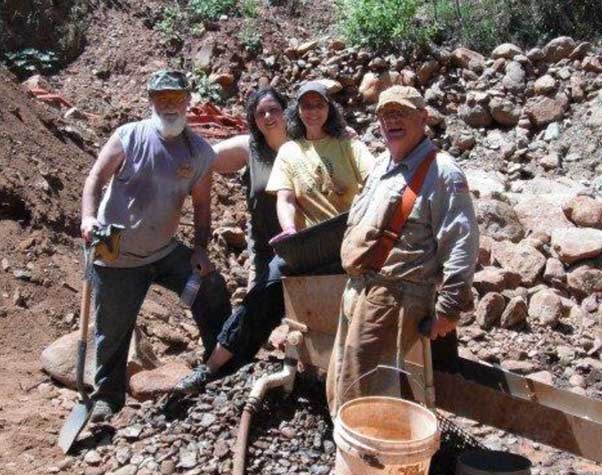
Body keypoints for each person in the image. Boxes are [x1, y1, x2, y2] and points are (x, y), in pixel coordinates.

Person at [79, 69, 231, 422]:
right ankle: (108, 397)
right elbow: (96, 178)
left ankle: (221, 360)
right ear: (150, 101)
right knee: (112, 329)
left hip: (164, 252)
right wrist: (88, 218)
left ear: (188, 101)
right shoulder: (128, 136)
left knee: (206, 287)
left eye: (176, 98)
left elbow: (203, 206)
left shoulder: (199, 152)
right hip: (115, 251)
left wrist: (201, 249)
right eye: (162, 98)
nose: (170, 105)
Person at [327, 85, 478, 412]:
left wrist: (450, 308)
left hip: (396, 299)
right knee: (342, 384)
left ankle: (372, 460)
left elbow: (461, 242)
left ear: (423, 118)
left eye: (401, 113)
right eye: (385, 114)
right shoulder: (382, 164)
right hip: (359, 292)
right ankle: (356, 458)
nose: (392, 121)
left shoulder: (443, 172)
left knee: (365, 399)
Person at [172, 88, 292, 396]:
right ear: (253, 118)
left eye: (273, 109)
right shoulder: (248, 148)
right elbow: (204, 160)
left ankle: (215, 364)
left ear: (286, 111)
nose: (268, 116)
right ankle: (227, 363)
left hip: (303, 244)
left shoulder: (304, 146)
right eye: (260, 112)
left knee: (264, 300)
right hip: (268, 247)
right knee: (263, 304)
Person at [266, 81, 376, 239]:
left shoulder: (348, 143)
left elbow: (373, 180)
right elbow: (285, 199)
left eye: (319, 105)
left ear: (329, 109)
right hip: (313, 240)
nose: (313, 111)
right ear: (297, 111)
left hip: (352, 231)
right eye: (306, 106)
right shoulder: (287, 152)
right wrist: (289, 229)